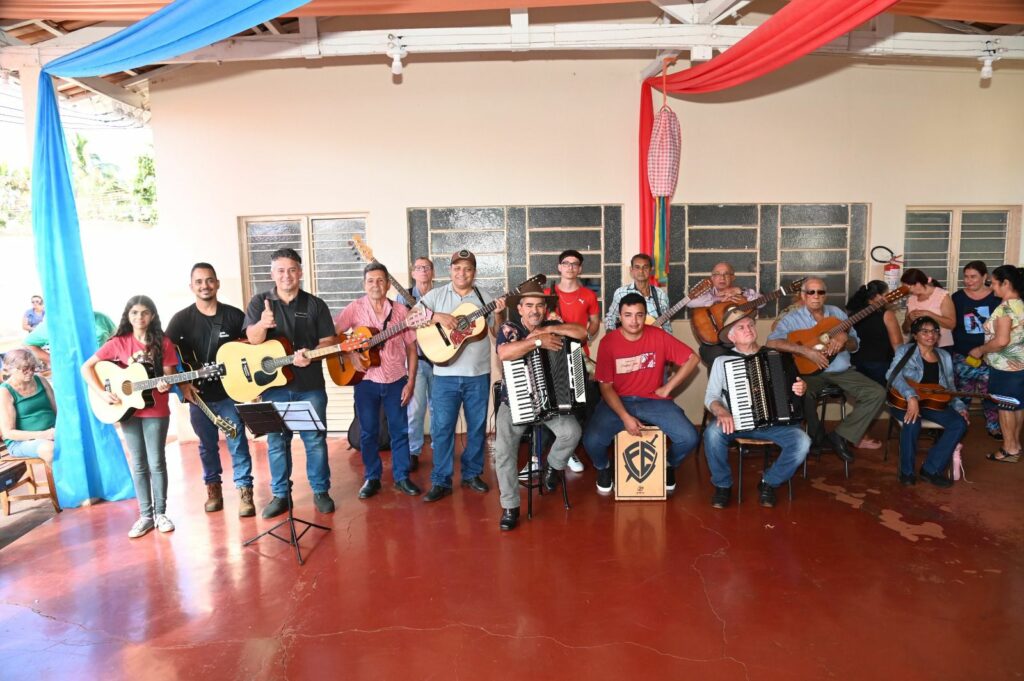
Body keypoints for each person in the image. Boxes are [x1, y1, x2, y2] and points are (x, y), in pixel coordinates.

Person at [243, 248, 337, 518]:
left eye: (292, 270)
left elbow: (329, 341)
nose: (287, 275)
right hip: (274, 388)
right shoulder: (259, 302)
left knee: (314, 440)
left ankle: (320, 491)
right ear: (272, 274)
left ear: (301, 272)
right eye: (281, 270)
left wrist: (312, 355)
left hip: (310, 386)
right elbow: (252, 339)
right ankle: (281, 495)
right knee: (276, 442)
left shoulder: (315, 304)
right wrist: (262, 324)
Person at [582, 293, 701, 494]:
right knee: (591, 441)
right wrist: (625, 417)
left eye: (639, 315)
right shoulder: (608, 343)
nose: (634, 321)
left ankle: (668, 465)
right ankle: (603, 467)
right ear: (620, 316)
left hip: (653, 400)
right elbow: (606, 387)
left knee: (689, 437)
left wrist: (668, 388)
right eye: (628, 315)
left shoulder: (658, 336)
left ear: (645, 315)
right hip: (618, 401)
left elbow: (693, 359)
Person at [82, 295, 178, 539]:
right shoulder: (118, 343)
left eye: (144, 312)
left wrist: (166, 384)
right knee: (138, 463)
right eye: (134, 312)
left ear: (152, 315)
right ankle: (145, 516)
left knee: (156, 462)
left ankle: (161, 513)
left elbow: (168, 375)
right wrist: (102, 393)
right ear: (128, 315)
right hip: (127, 409)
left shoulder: (163, 342)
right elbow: (86, 367)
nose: (139, 317)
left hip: (156, 408)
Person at [165, 263, 255, 517]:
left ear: (217, 283)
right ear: (191, 286)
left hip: (230, 394)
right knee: (207, 446)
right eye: (199, 281)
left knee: (237, 442)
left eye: (209, 280)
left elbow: (250, 350)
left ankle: (245, 492)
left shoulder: (234, 316)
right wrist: (181, 384)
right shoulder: (181, 320)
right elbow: (166, 355)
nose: (204, 286)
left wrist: (251, 385)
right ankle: (213, 491)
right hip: (199, 397)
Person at [493, 282, 585, 531]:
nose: (534, 310)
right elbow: (504, 353)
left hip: (550, 404)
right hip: (515, 402)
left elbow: (581, 333)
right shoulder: (510, 328)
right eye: (529, 305)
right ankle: (510, 506)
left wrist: (550, 330)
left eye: (540, 306)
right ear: (520, 309)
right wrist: (536, 342)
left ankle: (553, 466)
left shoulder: (553, 326)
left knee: (572, 432)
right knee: (503, 450)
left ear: (545, 309)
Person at [417, 250, 506, 502]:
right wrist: (437, 316)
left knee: (476, 428)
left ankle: (472, 474)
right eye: (457, 268)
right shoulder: (436, 295)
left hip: (477, 375)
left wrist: (498, 314)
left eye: (467, 268)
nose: (462, 273)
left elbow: (497, 333)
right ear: (450, 270)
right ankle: (441, 480)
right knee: (442, 429)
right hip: (444, 375)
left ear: (474, 272)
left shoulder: (484, 297)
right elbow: (411, 317)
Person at [766, 277, 886, 461]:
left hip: (841, 371)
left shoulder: (837, 313)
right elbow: (771, 342)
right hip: (809, 373)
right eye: (811, 292)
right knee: (801, 394)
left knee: (877, 393)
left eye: (820, 292)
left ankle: (840, 435)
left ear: (825, 295)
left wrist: (844, 339)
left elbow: (855, 345)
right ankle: (816, 437)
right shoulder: (792, 319)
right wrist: (805, 351)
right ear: (803, 295)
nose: (816, 296)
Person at [702, 316, 810, 508]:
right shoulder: (722, 361)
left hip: (774, 424)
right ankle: (722, 485)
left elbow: (795, 387)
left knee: (802, 442)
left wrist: (801, 387)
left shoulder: (776, 356)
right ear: (731, 337)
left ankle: (769, 482)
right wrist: (721, 411)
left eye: (750, 325)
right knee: (712, 434)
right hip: (735, 422)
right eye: (741, 327)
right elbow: (711, 396)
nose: (748, 329)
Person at [335, 263, 422, 499]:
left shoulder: (401, 311)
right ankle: (372, 477)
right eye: (371, 280)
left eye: (380, 280)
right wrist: (351, 355)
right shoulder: (354, 308)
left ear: (388, 284)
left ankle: (402, 477)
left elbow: (411, 348)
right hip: (365, 381)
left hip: (396, 380)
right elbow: (335, 335)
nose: (376, 285)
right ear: (364, 284)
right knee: (368, 432)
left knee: (399, 430)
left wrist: (411, 381)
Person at [886, 316, 968, 488]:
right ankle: (907, 472)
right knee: (912, 422)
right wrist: (911, 396)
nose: (930, 335)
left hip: (932, 402)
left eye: (934, 331)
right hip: (903, 401)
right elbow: (893, 376)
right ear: (915, 335)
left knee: (959, 424)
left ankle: (931, 469)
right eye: (924, 331)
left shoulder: (944, 355)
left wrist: (959, 407)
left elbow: (950, 386)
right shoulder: (905, 351)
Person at [546, 248, 600, 473]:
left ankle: (571, 451)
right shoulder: (547, 293)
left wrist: (587, 335)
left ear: (580, 268)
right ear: (559, 267)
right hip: (552, 354)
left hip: (578, 354)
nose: (570, 267)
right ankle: (550, 453)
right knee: (552, 403)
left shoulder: (588, 295)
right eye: (566, 263)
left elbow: (594, 322)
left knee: (576, 403)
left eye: (575, 264)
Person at [968, 265, 1024, 463]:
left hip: (1005, 368)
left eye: (993, 283)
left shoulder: (1005, 309)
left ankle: (1009, 448)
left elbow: (1001, 341)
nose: (991, 287)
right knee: (1017, 405)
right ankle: (1015, 444)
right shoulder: (1020, 304)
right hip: (1020, 365)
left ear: (1005, 283)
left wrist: (980, 350)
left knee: (1005, 406)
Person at [951, 261, 1002, 439]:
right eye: (966, 277)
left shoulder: (996, 297)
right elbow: (951, 323)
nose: (968, 280)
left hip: (990, 354)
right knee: (962, 393)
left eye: (973, 277)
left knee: (990, 394)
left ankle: (993, 426)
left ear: (984, 277)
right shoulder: (957, 297)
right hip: (963, 355)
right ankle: (958, 426)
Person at [399, 256, 435, 472]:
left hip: (440, 360)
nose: (423, 271)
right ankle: (413, 451)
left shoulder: (440, 294)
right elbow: (400, 325)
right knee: (415, 409)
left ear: (433, 272)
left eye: (427, 268)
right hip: (417, 361)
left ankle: (440, 449)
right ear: (413, 273)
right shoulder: (402, 296)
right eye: (419, 268)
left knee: (439, 409)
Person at [686, 260, 760, 366]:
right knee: (715, 357)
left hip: (738, 339)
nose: (722, 278)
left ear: (733, 277)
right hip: (714, 342)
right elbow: (689, 302)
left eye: (726, 274)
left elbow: (762, 302)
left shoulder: (741, 293)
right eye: (717, 274)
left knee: (751, 353)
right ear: (712, 278)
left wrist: (741, 291)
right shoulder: (706, 294)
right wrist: (718, 299)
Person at [0, 348, 56, 465]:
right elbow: (8, 433)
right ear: (11, 369)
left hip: (52, 433)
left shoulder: (41, 380)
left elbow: (57, 411)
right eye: (25, 369)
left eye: (32, 368)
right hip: (21, 442)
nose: (30, 372)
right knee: (50, 449)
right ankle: (65, 478)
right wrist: (43, 434)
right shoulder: (5, 391)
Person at [846, 280, 902, 387]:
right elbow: (897, 344)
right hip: (880, 364)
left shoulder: (853, 313)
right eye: (886, 294)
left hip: (856, 362)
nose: (889, 298)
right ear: (877, 296)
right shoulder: (887, 314)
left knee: (864, 394)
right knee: (881, 393)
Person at [24, 311, 117, 370]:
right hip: (73, 371)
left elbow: (117, 340)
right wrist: (54, 361)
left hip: (104, 368)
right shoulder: (52, 325)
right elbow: (28, 344)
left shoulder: (100, 317)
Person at [604, 253, 672, 333]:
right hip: (628, 339)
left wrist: (666, 338)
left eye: (645, 267)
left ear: (651, 270)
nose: (641, 271)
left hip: (654, 340)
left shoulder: (661, 294)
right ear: (631, 270)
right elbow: (611, 318)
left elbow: (666, 325)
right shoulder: (620, 293)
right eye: (637, 267)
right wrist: (611, 336)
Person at [902, 268, 955, 349]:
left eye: (908, 287)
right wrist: (909, 319)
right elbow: (905, 330)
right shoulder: (911, 299)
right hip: (918, 347)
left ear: (918, 284)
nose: (907, 291)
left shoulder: (942, 295)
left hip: (942, 346)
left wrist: (929, 314)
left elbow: (951, 324)